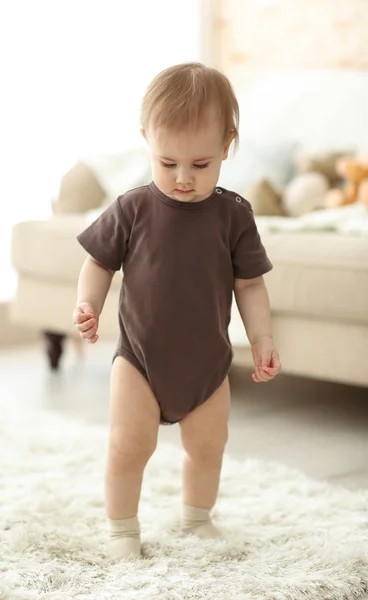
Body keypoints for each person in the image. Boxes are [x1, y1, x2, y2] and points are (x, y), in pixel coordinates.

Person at [73, 62, 281, 560]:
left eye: (201, 165)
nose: (183, 178)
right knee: (128, 446)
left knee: (208, 448)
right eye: (167, 164)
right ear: (146, 139)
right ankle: (123, 531)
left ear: (228, 145)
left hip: (207, 366)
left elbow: (250, 285)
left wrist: (262, 339)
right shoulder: (131, 209)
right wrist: (88, 303)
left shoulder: (234, 215)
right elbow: (97, 264)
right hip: (140, 361)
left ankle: (197, 518)